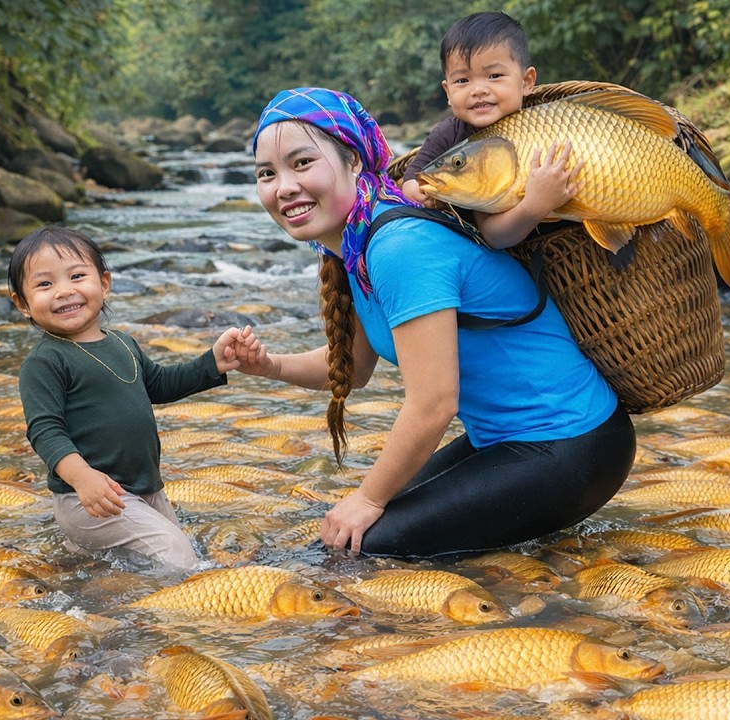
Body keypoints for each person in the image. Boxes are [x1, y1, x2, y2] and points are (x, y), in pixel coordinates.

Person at [242, 87, 635, 559]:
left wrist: (367, 499)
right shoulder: (355, 246)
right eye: (267, 173)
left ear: (354, 161)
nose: (284, 187)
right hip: (510, 441)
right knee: (346, 541)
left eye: (302, 163)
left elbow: (434, 404)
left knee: (356, 551)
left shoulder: (398, 246)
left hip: (571, 444)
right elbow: (354, 368)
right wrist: (267, 365)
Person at [9, 225, 259, 569]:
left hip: (145, 489)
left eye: (77, 276)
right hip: (90, 496)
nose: (64, 291)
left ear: (104, 283)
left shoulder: (122, 343)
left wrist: (212, 363)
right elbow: (45, 431)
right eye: (44, 284)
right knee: (176, 553)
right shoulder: (45, 361)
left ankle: (83, 575)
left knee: (164, 554)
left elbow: (160, 384)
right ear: (22, 304)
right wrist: (83, 478)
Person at [400, 11, 583, 250]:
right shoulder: (448, 134)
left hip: (566, 248)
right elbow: (413, 179)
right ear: (448, 91)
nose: (478, 90)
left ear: (526, 82)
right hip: (485, 251)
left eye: (494, 76)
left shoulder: (546, 122)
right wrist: (418, 192)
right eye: (462, 81)